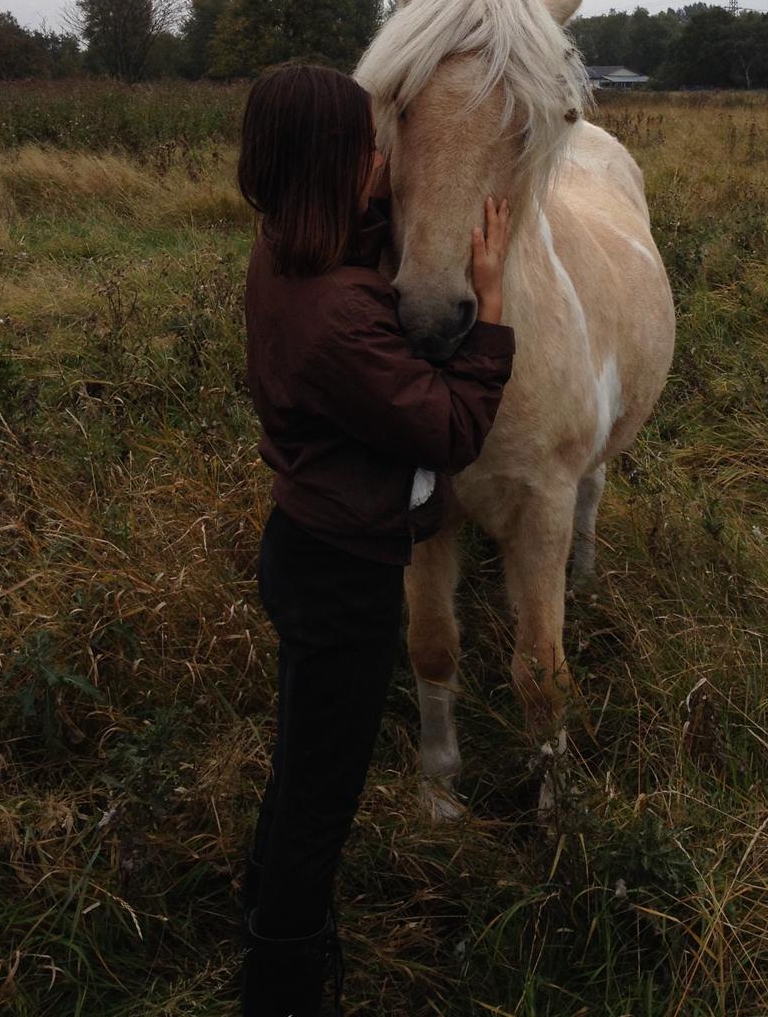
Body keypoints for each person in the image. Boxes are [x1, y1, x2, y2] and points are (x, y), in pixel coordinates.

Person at [236, 62, 514, 1017]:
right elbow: (449, 430)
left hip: (298, 545)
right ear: (333, 166)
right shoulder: (345, 319)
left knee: (298, 751)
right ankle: (283, 975)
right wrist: (494, 312)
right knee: (325, 796)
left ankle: (257, 897)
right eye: (370, 148)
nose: (385, 160)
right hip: (347, 576)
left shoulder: (282, 251)